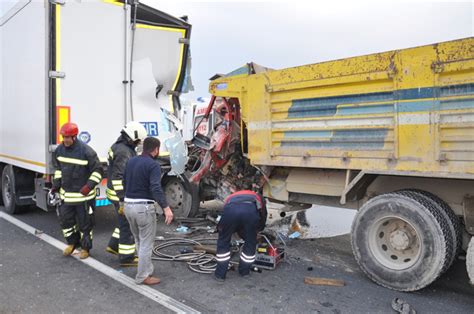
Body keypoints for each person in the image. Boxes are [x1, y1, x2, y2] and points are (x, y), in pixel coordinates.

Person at [123, 137, 174, 285]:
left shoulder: (131, 161)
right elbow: (156, 188)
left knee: (139, 240)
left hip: (128, 206)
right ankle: (143, 276)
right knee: (146, 243)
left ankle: (146, 269)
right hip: (143, 208)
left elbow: (124, 182)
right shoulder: (153, 165)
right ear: (156, 149)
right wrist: (166, 208)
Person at [52, 122, 102, 259]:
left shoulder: (87, 151)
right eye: (63, 137)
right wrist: (55, 185)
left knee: (85, 225)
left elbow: (98, 171)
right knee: (66, 223)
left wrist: (89, 186)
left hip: (84, 198)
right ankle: (72, 244)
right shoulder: (59, 151)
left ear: (74, 137)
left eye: (68, 137)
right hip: (66, 197)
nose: (65, 140)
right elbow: (58, 169)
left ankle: (85, 248)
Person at [105, 121, 148, 267]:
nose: (137, 144)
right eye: (137, 141)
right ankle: (126, 257)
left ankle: (113, 245)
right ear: (131, 137)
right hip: (120, 195)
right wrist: (123, 200)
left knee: (123, 221)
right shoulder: (124, 152)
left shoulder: (119, 147)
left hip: (115, 193)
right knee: (127, 225)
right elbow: (118, 177)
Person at [214, 190, 267, 282]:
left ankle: (220, 275)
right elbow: (263, 215)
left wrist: (222, 230)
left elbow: (228, 215)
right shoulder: (258, 197)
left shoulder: (231, 197)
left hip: (230, 212)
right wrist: (258, 230)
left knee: (223, 241)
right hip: (249, 214)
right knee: (250, 242)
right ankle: (244, 271)